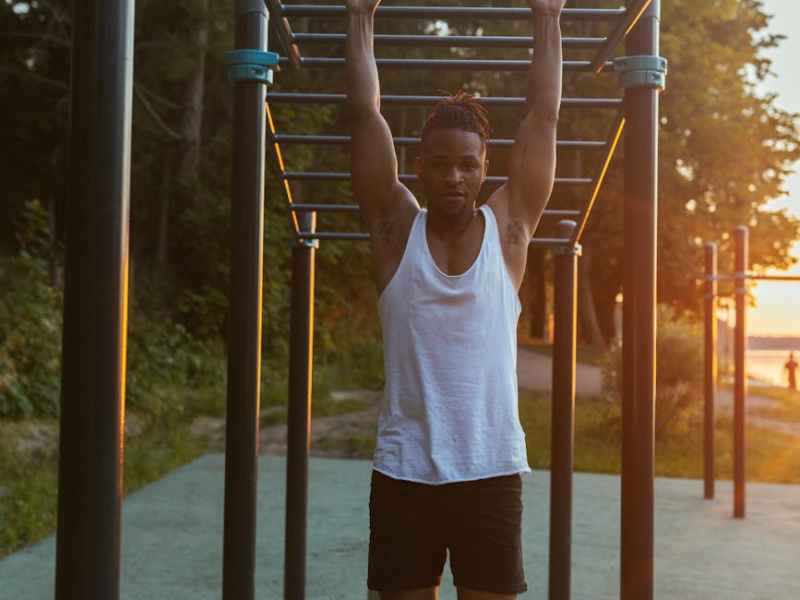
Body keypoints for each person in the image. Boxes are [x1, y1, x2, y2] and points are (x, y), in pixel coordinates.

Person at [345, 0, 566, 597]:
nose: (454, 177)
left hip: (490, 470)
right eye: (440, 164)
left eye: (467, 165)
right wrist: (359, 12)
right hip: (404, 469)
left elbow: (543, 117)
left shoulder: (511, 232)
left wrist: (548, 15)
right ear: (419, 167)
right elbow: (366, 116)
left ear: (484, 167)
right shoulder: (395, 232)